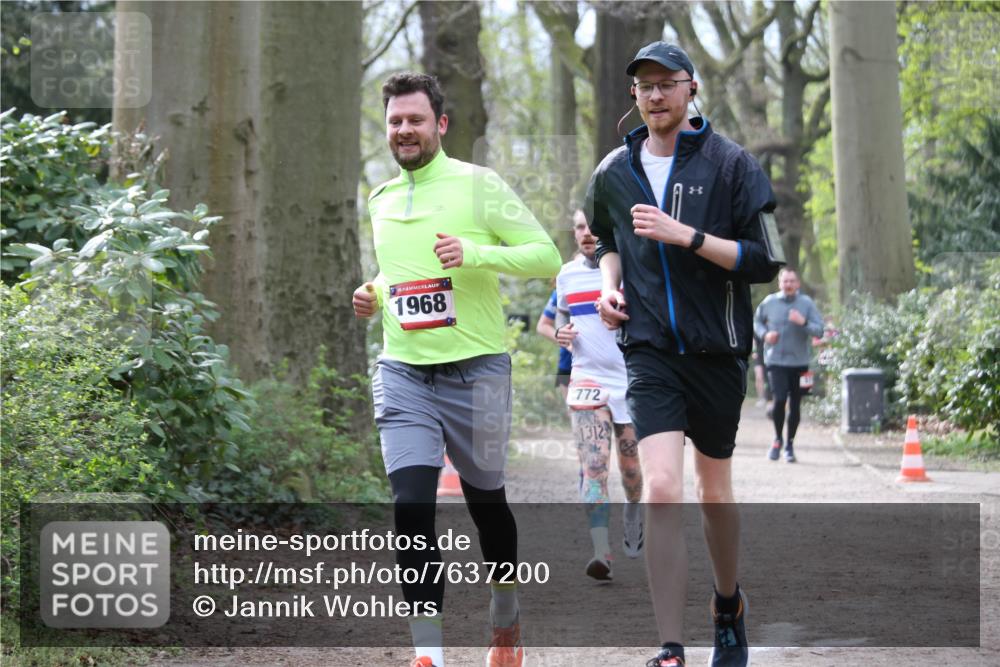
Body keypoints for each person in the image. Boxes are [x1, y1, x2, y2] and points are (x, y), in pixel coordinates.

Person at [353, 72, 561, 667]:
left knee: (486, 503)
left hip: (478, 372)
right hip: (404, 372)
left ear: (440, 124)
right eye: (395, 121)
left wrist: (474, 253)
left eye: (415, 119)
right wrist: (373, 291)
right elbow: (398, 272)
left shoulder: (479, 185)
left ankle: (505, 618)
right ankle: (429, 655)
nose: (404, 129)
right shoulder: (381, 198)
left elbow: (547, 255)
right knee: (411, 506)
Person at [586, 42, 783, 667]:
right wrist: (609, 286)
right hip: (649, 352)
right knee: (663, 488)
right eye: (644, 86)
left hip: (717, 350)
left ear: (690, 88)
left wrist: (687, 236)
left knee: (713, 492)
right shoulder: (614, 171)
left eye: (666, 83)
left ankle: (727, 605)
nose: (655, 95)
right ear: (634, 95)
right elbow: (606, 239)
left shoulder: (733, 165)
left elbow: (765, 259)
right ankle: (670, 647)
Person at [538, 210, 644, 581]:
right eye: (580, 227)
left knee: (630, 468)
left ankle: (633, 511)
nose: (586, 233)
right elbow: (559, 319)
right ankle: (601, 551)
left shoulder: (630, 269)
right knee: (594, 466)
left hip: (630, 380)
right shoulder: (566, 275)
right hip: (587, 379)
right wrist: (561, 334)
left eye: (593, 227)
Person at [753, 268, 823, 463]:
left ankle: (790, 445)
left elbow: (819, 331)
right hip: (775, 361)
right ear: (780, 283)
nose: (789, 285)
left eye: (792, 281)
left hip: (800, 363)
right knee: (779, 399)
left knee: (795, 404)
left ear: (798, 284)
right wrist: (765, 334)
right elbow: (756, 323)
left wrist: (803, 322)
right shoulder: (769, 302)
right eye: (785, 281)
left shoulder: (806, 304)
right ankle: (777, 440)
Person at [535, 287, 573, 400]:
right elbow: (542, 326)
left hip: (610, 364)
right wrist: (564, 340)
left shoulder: (615, 284)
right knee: (576, 411)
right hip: (568, 366)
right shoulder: (563, 287)